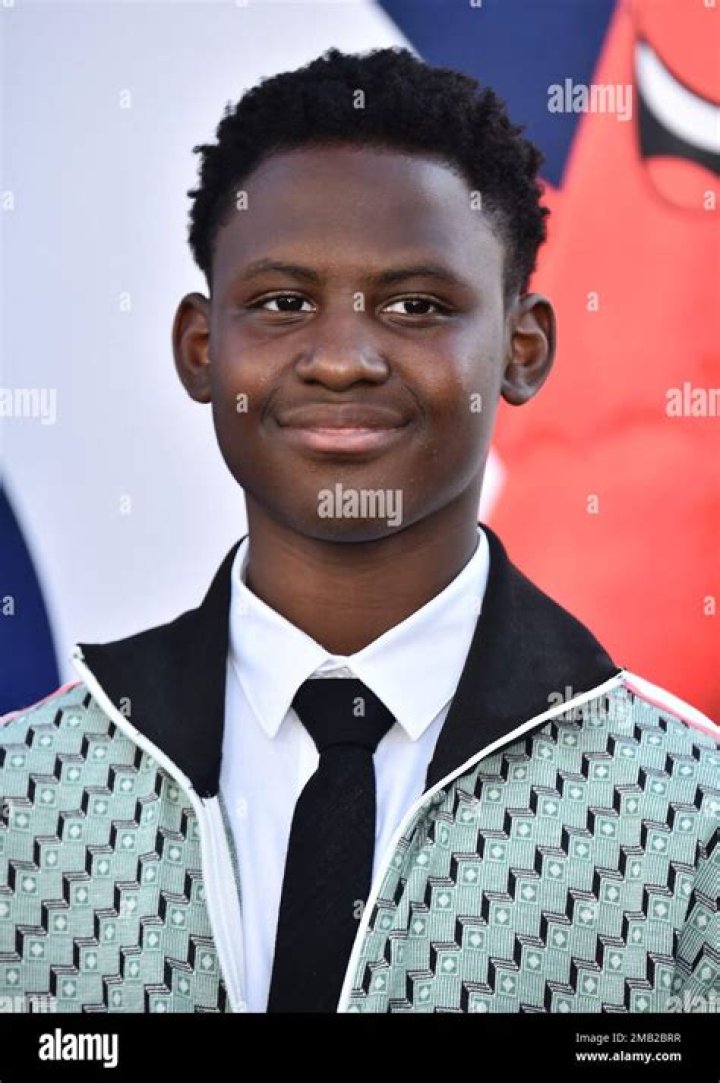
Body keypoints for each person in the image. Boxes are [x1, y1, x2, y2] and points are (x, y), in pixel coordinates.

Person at [1, 47, 717, 1015]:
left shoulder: (690, 813)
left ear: (523, 348)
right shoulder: (27, 791)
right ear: (202, 349)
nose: (341, 360)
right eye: (283, 303)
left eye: (417, 306)